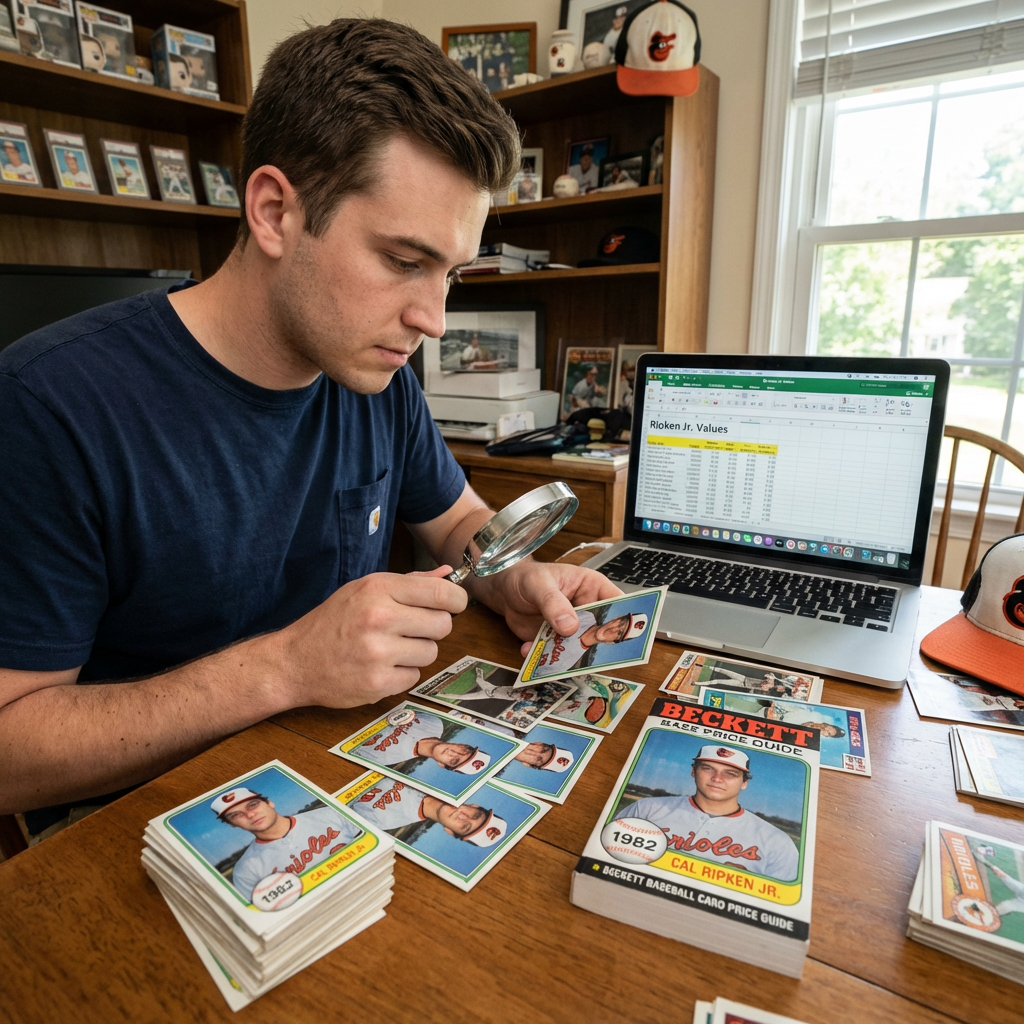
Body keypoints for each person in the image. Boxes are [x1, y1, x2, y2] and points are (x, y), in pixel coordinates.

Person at [0, 18, 621, 832]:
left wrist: (512, 576)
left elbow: (460, 522)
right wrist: (287, 667)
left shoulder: (374, 372)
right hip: (141, 832)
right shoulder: (48, 406)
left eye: (452, 273)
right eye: (403, 261)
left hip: (351, 782)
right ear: (273, 211)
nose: (433, 320)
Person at [628, 745, 800, 881]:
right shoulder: (646, 809)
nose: (717, 778)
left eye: (730, 774)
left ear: (744, 783)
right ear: (693, 771)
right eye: (708, 768)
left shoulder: (778, 842)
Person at [212, 786, 361, 903]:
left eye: (252, 805)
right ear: (232, 824)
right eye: (236, 815)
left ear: (269, 803)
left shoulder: (330, 814)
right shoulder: (246, 870)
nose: (250, 815)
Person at [349, 776, 507, 846]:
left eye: (465, 827)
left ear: (450, 832)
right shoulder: (432, 776)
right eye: (475, 815)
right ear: (474, 805)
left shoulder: (386, 820)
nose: (463, 816)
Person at [354, 709, 491, 774]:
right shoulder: (435, 723)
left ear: (441, 764)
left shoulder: (385, 759)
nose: (452, 752)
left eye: (454, 760)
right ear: (462, 744)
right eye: (464, 751)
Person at [529, 609, 647, 677]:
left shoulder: (565, 665)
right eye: (620, 624)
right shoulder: (585, 616)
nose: (614, 630)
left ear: (612, 642)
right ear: (616, 618)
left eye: (619, 634)